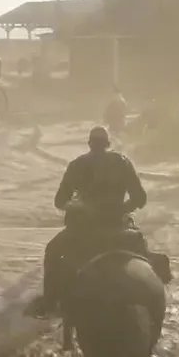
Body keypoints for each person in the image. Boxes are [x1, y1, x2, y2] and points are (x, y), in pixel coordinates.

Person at [32, 126, 149, 317]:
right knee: (145, 253)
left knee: (52, 252)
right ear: (107, 144)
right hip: (118, 227)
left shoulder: (77, 165)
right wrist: (121, 209)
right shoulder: (123, 162)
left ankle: (49, 302)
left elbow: (60, 201)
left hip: (84, 230)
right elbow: (140, 198)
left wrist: (80, 207)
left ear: (89, 144)